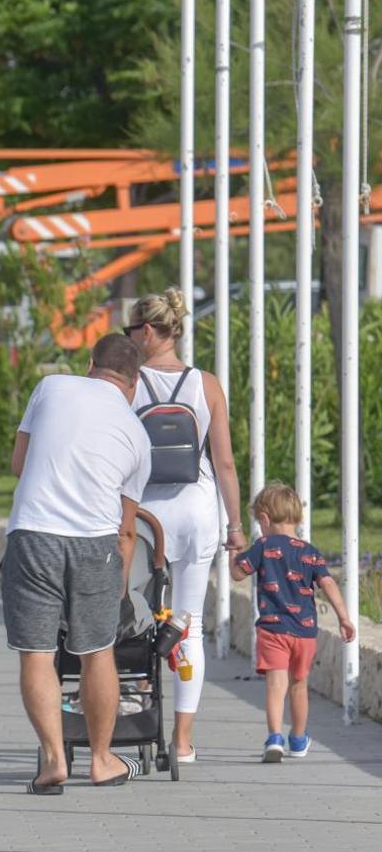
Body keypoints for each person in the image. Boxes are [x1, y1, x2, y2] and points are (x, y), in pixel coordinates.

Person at [4, 333, 152, 793]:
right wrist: (121, 587)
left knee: (38, 653)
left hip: (34, 533)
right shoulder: (137, 436)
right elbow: (127, 530)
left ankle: (52, 760)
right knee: (97, 652)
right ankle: (103, 760)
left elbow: (18, 464)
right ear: (134, 383)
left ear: (91, 364)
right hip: (95, 543)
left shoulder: (51, 388)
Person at [127, 288, 246, 764]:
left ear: (150, 331)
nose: (130, 338)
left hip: (144, 514)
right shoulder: (206, 384)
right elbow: (225, 463)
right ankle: (181, 742)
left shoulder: (129, 384)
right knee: (187, 624)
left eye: (132, 329)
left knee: (136, 618)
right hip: (198, 510)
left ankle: (134, 718)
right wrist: (235, 529)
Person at [231, 482, 357, 762]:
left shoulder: (263, 546)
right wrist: (344, 618)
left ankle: (275, 737)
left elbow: (238, 574)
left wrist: (233, 552)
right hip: (305, 633)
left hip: (273, 629)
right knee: (299, 685)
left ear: (264, 519)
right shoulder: (309, 551)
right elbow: (328, 583)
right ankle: (298, 739)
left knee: (276, 685)